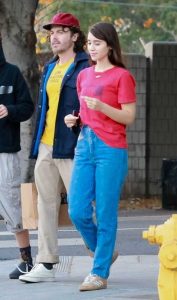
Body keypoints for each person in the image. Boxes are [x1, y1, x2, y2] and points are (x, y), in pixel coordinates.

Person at [64, 22, 136, 291]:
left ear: (109, 45)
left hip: (111, 148)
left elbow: (129, 116)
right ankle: (103, 251)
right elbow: (87, 114)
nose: (91, 48)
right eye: (89, 43)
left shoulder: (122, 76)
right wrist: (75, 119)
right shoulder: (84, 75)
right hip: (85, 144)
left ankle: (99, 272)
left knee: (105, 213)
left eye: (96, 43)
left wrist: (103, 106)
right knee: (77, 210)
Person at [19, 12, 89, 283]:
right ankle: (45, 264)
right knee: (44, 204)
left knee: (79, 206)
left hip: (73, 146)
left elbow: (90, 105)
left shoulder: (85, 66)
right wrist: (38, 144)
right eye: (51, 32)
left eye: (61, 31)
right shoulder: (49, 67)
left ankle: (100, 252)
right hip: (46, 145)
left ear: (74, 36)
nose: (54, 36)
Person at [0, 32, 34, 279]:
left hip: (5, 152)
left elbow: (27, 108)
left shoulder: (11, 73)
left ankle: (27, 260)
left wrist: (8, 109)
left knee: (12, 205)